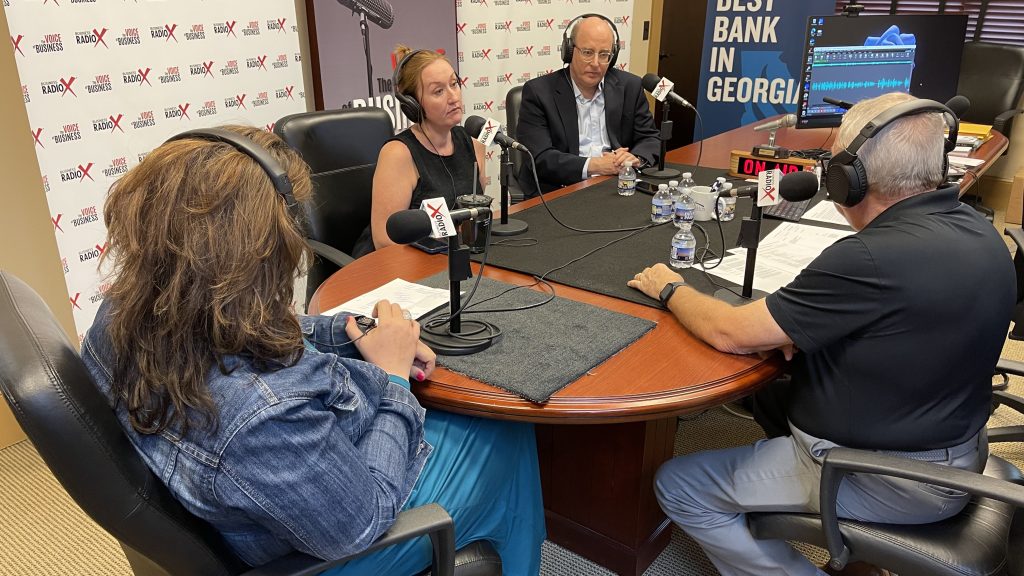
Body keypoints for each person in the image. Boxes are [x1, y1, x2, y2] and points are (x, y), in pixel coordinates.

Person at [81, 125, 544, 575]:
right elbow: (365, 517)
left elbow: (249, 326)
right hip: (329, 544)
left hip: (271, 497)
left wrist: (351, 329)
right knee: (505, 430)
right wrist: (393, 379)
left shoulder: (122, 310)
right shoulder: (260, 416)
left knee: (453, 414)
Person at [627, 92, 1014, 576]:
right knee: (771, 396)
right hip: (955, 445)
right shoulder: (978, 229)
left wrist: (670, 288)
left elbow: (729, 332)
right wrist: (801, 325)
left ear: (849, 179)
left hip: (894, 479)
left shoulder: (871, 257)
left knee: (679, 486)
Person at [352, 45, 487, 257]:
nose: (453, 97)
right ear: (412, 104)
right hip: (401, 264)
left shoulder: (473, 144)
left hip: (452, 258)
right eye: (438, 91)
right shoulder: (398, 154)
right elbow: (384, 241)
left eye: (454, 84)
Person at [515, 14, 660, 197]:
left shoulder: (630, 86)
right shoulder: (539, 92)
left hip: (617, 185)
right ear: (569, 51)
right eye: (587, 53)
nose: (595, 63)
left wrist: (635, 158)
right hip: (561, 189)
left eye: (604, 54)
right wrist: (595, 165)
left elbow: (650, 138)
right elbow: (540, 157)